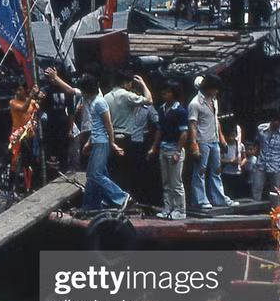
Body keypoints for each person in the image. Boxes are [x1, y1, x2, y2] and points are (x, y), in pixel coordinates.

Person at [45, 68, 129, 211]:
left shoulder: (99, 102)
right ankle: (91, 205)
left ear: (86, 90)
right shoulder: (90, 99)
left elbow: (107, 124)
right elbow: (71, 90)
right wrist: (89, 142)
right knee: (94, 173)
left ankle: (120, 196)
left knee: (95, 174)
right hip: (95, 139)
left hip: (101, 142)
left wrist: (112, 143)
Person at [188, 74, 237, 209]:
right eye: (215, 89)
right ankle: (200, 200)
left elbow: (216, 120)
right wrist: (194, 145)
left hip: (214, 140)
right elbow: (192, 125)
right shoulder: (195, 103)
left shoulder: (214, 100)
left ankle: (218, 198)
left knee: (216, 170)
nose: (216, 92)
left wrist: (222, 139)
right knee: (200, 171)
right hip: (202, 140)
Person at [102, 70, 153, 187]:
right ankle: (125, 194)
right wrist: (143, 84)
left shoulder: (106, 96)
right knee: (126, 169)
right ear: (125, 83)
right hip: (125, 137)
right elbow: (149, 100)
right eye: (130, 83)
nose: (131, 86)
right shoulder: (126, 95)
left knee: (114, 169)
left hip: (111, 137)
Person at [149, 81, 188, 220]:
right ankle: (168, 207)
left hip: (174, 149)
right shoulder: (162, 108)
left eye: (168, 92)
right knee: (166, 182)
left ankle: (180, 210)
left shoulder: (180, 111)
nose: (165, 94)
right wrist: (154, 147)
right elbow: (159, 130)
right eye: (163, 92)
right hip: (163, 148)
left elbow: (184, 133)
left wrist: (178, 151)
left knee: (176, 182)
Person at [251, 112, 280, 203]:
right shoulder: (261, 129)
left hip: (276, 165)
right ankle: (254, 208)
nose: (276, 123)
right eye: (275, 120)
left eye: (279, 121)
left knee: (275, 191)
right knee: (257, 188)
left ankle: (276, 211)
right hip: (261, 164)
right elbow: (257, 142)